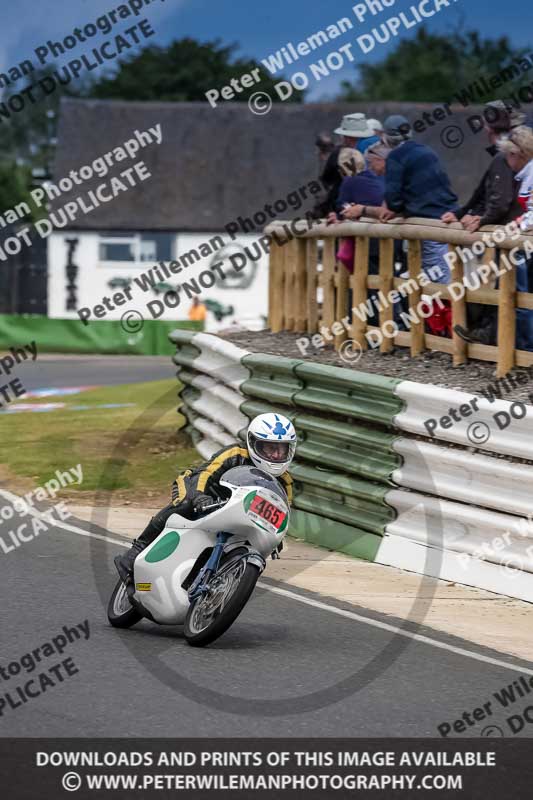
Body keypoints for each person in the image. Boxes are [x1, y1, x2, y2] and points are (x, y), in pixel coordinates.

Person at [114, 413, 296, 582]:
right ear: (253, 443)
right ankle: (136, 551)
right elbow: (205, 473)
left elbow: (283, 512)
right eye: (270, 448)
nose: (276, 455)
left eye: (282, 450)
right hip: (201, 489)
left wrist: (277, 537)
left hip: (236, 512)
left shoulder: (285, 481)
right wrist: (200, 497)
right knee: (184, 503)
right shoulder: (235, 454)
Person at [379, 114, 459, 283]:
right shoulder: (427, 150)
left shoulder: (396, 156)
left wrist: (396, 209)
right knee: (449, 276)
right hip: (450, 219)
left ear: (386, 137)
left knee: (438, 283)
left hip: (428, 223)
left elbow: (393, 199)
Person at [312, 114, 377, 217]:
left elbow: (326, 180)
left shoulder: (338, 153)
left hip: (344, 209)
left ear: (346, 136)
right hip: (372, 206)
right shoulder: (377, 148)